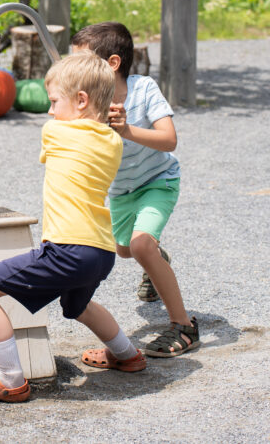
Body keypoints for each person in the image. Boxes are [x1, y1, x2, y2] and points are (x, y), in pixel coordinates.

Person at [0, 52, 147, 404]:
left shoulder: (56, 132)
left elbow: (56, 140)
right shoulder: (113, 141)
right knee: (77, 305)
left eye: (54, 101)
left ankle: (10, 379)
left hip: (67, 249)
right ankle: (127, 355)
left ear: (80, 101)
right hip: (100, 251)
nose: (49, 111)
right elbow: (94, 127)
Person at [71, 22, 199, 358]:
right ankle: (154, 259)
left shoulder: (143, 89)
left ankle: (183, 326)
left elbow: (169, 139)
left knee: (140, 245)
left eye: (83, 63)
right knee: (125, 250)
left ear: (112, 63)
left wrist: (127, 130)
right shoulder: (88, 103)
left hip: (158, 181)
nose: (76, 71)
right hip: (122, 192)